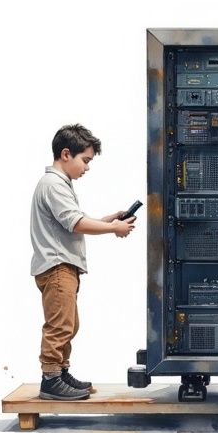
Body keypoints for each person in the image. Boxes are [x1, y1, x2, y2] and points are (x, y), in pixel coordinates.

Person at [29, 124, 136, 400]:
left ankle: (61, 372)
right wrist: (114, 229)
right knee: (60, 325)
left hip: (62, 266)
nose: (86, 168)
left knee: (69, 324)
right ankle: (51, 379)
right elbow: (75, 223)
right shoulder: (54, 184)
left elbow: (72, 220)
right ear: (66, 154)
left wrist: (108, 219)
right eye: (85, 160)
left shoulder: (59, 184)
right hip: (57, 266)